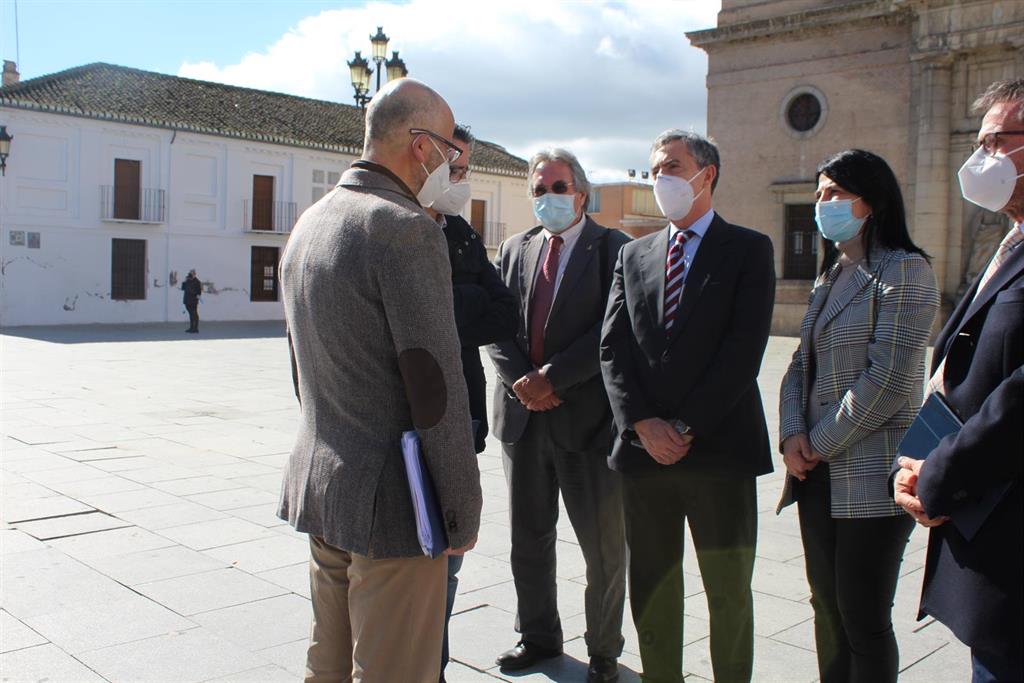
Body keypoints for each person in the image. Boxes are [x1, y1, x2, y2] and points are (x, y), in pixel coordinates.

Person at [277, 78, 482, 683]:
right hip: (395, 507)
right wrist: (460, 511)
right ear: (422, 146)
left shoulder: (310, 221)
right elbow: (434, 387)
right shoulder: (405, 227)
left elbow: (300, 367)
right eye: (448, 148)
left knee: (328, 666)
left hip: (325, 483)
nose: (450, 162)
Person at [600, 130, 775, 683]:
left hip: (719, 451)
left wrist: (683, 426)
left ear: (707, 174)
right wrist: (642, 424)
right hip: (644, 456)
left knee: (728, 593)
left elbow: (742, 352)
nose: (661, 179)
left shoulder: (748, 249)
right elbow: (612, 347)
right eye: (655, 170)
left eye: (672, 167)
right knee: (652, 587)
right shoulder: (633, 254)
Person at [777, 149, 938, 683]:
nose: (821, 203)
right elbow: (800, 364)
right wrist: (792, 435)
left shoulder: (904, 269)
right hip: (814, 475)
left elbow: (889, 378)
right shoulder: (831, 274)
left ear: (871, 201)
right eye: (819, 193)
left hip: (870, 474)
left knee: (863, 618)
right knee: (827, 610)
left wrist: (817, 442)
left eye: (835, 193)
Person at [893, 78, 1024, 683]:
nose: (981, 158)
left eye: (996, 141)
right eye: (979, 143)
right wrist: (914, 463)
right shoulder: (1011, 241)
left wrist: (940, 476)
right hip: (984, 539)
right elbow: (958, 366)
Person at [488, 148, 629, 683]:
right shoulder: (514, 248)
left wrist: (552, 377)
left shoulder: (614, 249)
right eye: (539, 189)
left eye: (558, 187)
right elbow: (495, 323)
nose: (548, 197)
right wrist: (522, 382)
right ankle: (538, 636)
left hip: (587, 422)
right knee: (528, 538)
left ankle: (603, 651)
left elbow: (613, 329)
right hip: (522, 419)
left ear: (581, 194)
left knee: (603, 547)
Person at [422, 123, 518, 682]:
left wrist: (448, 302)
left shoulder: (459, 231)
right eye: (453, 169)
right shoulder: (397, 227)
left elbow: (503, 313)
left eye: (465, 170)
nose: (461, 180)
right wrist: (467, 299)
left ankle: (433, 666)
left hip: (463, 417)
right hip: (409, 427)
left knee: (452, 558)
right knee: (409, 567)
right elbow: (407, 320)